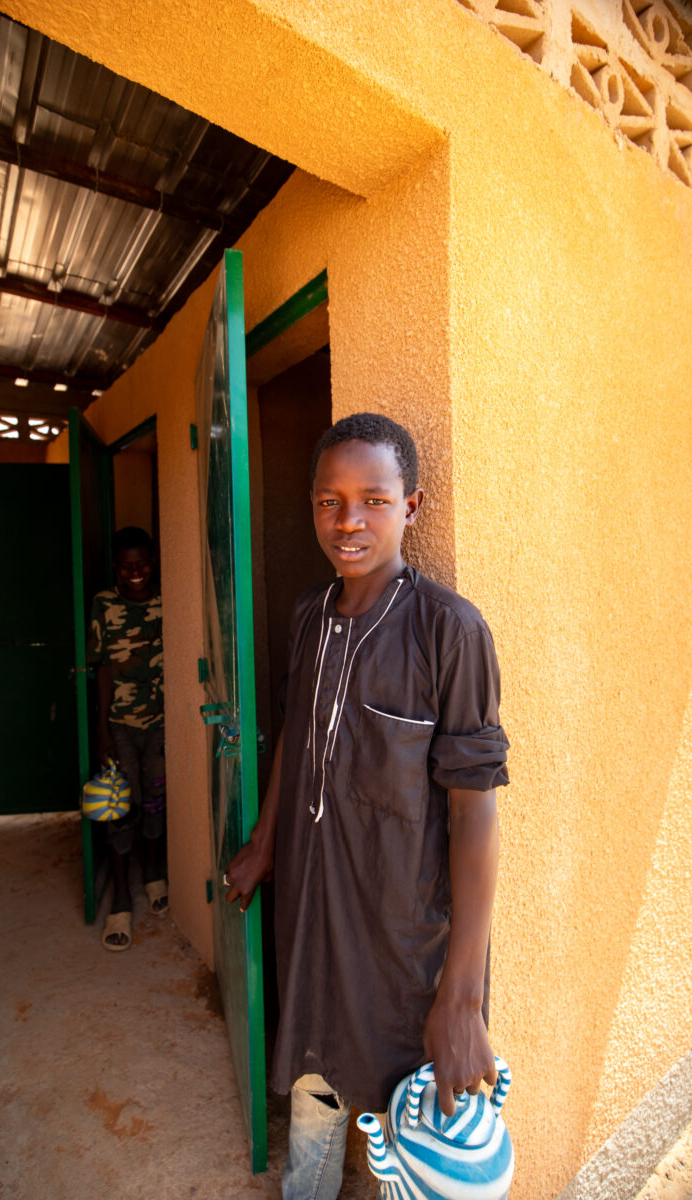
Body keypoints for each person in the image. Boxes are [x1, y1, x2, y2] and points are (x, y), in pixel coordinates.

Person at [225, 413, 509, 1198]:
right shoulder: (309, 615)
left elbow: (475, 811)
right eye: (329, 501)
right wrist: (266, 841)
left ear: (410, 507)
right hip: (315, 906)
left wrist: (462, 999)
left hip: (403, 934)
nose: (348, 521)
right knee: (315, 1075)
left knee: (408, 1117)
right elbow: (298, 728)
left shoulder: (449, 630)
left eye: (373, 501)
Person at [87, 526, 167, 952]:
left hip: (161, 724)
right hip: (119, 725)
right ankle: (120, 899)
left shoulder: (166, 602)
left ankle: (153, 874)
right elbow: (101, 667)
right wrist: (102, 731)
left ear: (152, 563)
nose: (135, 573)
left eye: (142, 564)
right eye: (126, 566)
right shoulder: (105, 603)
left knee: (155, 801)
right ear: (116, 568)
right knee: (119, 806)